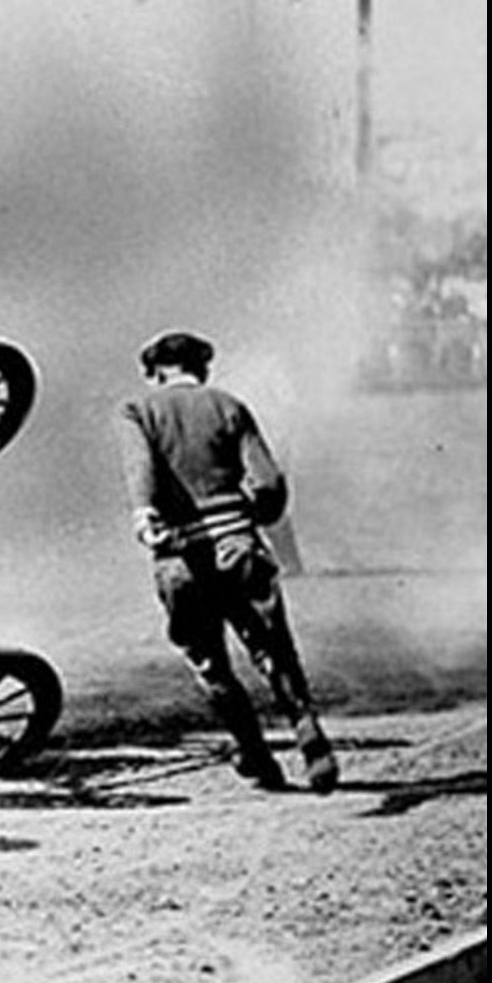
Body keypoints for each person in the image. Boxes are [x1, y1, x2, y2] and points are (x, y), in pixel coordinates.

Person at [116, 330, 339, 794]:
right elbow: (270, 483)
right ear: (202, 369)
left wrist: (145, 516)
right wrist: (248, 515)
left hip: (180, 556)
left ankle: (254, 752)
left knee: (210, 663)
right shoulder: (228, 405)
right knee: (273, 649)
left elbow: (142, 471)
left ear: (156, 371)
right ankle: (306, 728)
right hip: (237, 544)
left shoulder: (137, 410)